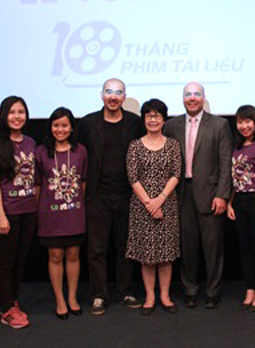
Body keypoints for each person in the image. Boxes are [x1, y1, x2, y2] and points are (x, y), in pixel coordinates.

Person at [78, 78, 145, 315]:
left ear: (124, 97)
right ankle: (98, 295)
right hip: (97, 196)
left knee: (125, 247)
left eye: (118, 92)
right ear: (101, 95)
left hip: (128, 195)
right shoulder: (87, 124)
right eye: (109, 92)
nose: (113, 97)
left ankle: (125, 291)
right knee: (97, 249)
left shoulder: (135, 123)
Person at [164, 81, 232, 309]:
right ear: (182, 99)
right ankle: (190, 289)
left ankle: (213, 291)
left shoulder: (219, 125)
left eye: (196, 94)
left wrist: (222, 195)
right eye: (187, 94)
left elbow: (225, 163)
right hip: (181, 193)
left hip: (211, 193)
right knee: (187, 245)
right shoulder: (172, 125)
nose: (192, 98)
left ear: (203, 98)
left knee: (213, 247)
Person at [0, 96, 38, 329]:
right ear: (4, 115)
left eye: (21, 112)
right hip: (7, 213)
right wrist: (1, 215)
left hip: (29, 212)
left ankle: (13, 301)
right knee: (6, 263)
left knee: (20, 261)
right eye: (12, 112)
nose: (17, 117)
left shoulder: (31, 143)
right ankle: (6, 309)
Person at [125, 99, 182, 315]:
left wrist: (160, 200)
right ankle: (149, 296)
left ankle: (165, 296)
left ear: (164, 119)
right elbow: (132, 177)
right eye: (149, 115)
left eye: (157, 115)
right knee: (147, 256)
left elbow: (176, 173)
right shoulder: (134, 146)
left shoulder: (173, 145)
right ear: (143, 119)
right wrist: (149, 203)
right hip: (142, 207)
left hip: (167, 204)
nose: (153, 119)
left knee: (166, 254)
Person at [35, 107, 87, 320]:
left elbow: (83, 181)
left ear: (71, 127)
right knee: (55, 255)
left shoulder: (80, 150)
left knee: (73, 254)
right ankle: (60, 299)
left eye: (64, 125)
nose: (60, 129)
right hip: (50, 213)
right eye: (56, 125)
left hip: (74, 212)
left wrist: (76, 203)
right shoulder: (40, 152)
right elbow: (37, 184)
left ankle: (72, 297)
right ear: (50, 127)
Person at [226, 105, 255, 312]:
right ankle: (250, 289)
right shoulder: (236, 147)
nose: (244, 126)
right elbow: (235, 178)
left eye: (248, 121)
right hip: (239, 201)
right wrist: (229, 202)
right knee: (244, 250)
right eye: (240, 122)